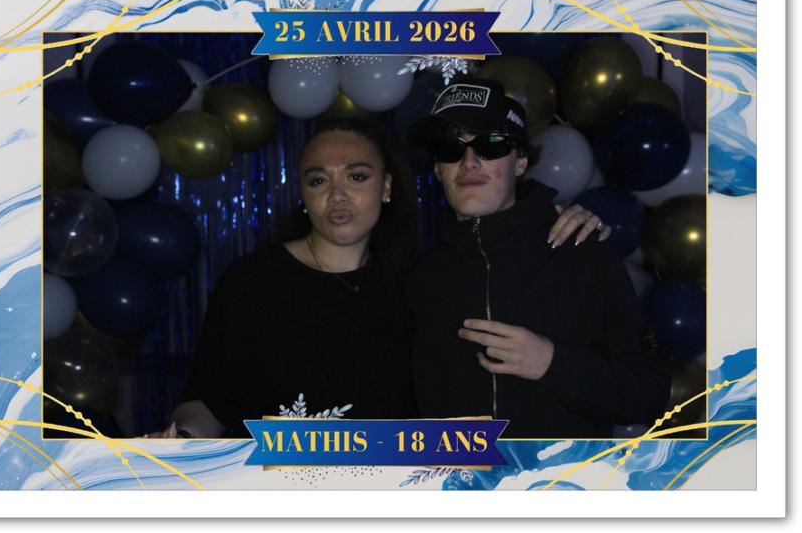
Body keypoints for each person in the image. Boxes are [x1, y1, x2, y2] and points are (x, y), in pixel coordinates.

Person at [145, 118, 609, 439]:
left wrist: (550, 218)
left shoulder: (423, 282)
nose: (338, 196)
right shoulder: (252, 283)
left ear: (387, 187)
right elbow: (207, 402)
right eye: (318, 181)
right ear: (303, 195)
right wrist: (182, 439)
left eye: (357, 177)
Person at [405, 78, 671, 438]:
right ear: (438, 169)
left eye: (490, 144)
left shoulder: (582, 249)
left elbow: (650, 393)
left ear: (520, 162)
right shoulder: (423, 276)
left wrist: (551, 363)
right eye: (450, 148)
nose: (469, 162)